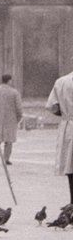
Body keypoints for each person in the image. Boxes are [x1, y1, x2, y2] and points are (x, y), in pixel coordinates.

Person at [46, 67, 73, 204]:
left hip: (69, 127)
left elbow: (52, 107)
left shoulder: (62, 82)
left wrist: (65, 113)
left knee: (70, 165)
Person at [0, 74, 23, 166]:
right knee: (9, 140)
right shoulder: (14, 93)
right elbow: (19, 107)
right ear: (9, 81)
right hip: (11, 118)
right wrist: (19, 117)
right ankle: (6, 159)